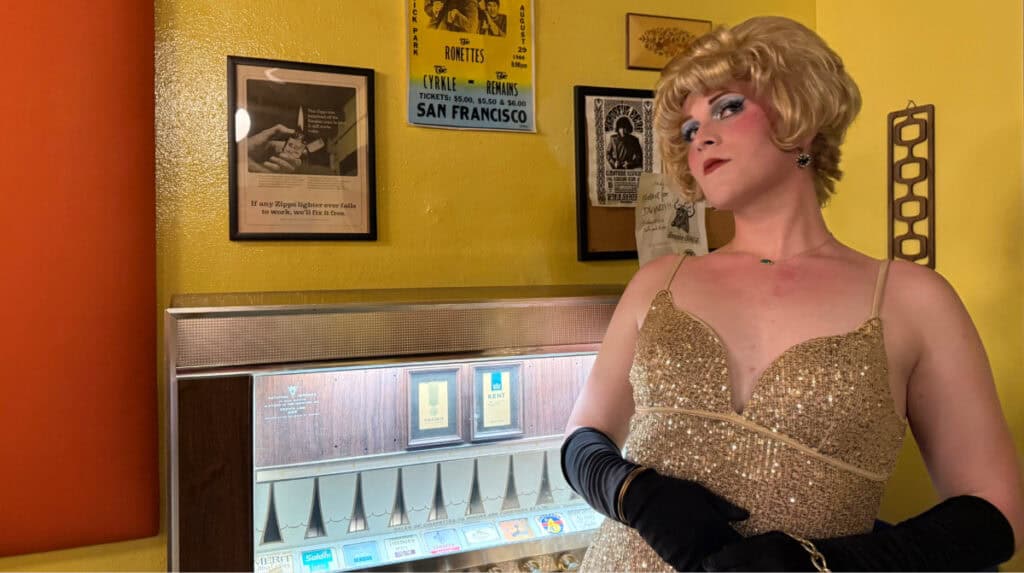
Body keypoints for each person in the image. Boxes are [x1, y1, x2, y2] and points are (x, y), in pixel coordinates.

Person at [560, 16, 1022, 572]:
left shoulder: (912, 301)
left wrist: (819, 564)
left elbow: (998, 512)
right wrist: (635, 493)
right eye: (688, 129)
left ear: (798, 116)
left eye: (728, 108)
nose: (701, 136)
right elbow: (580, 440)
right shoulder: (659, 283)